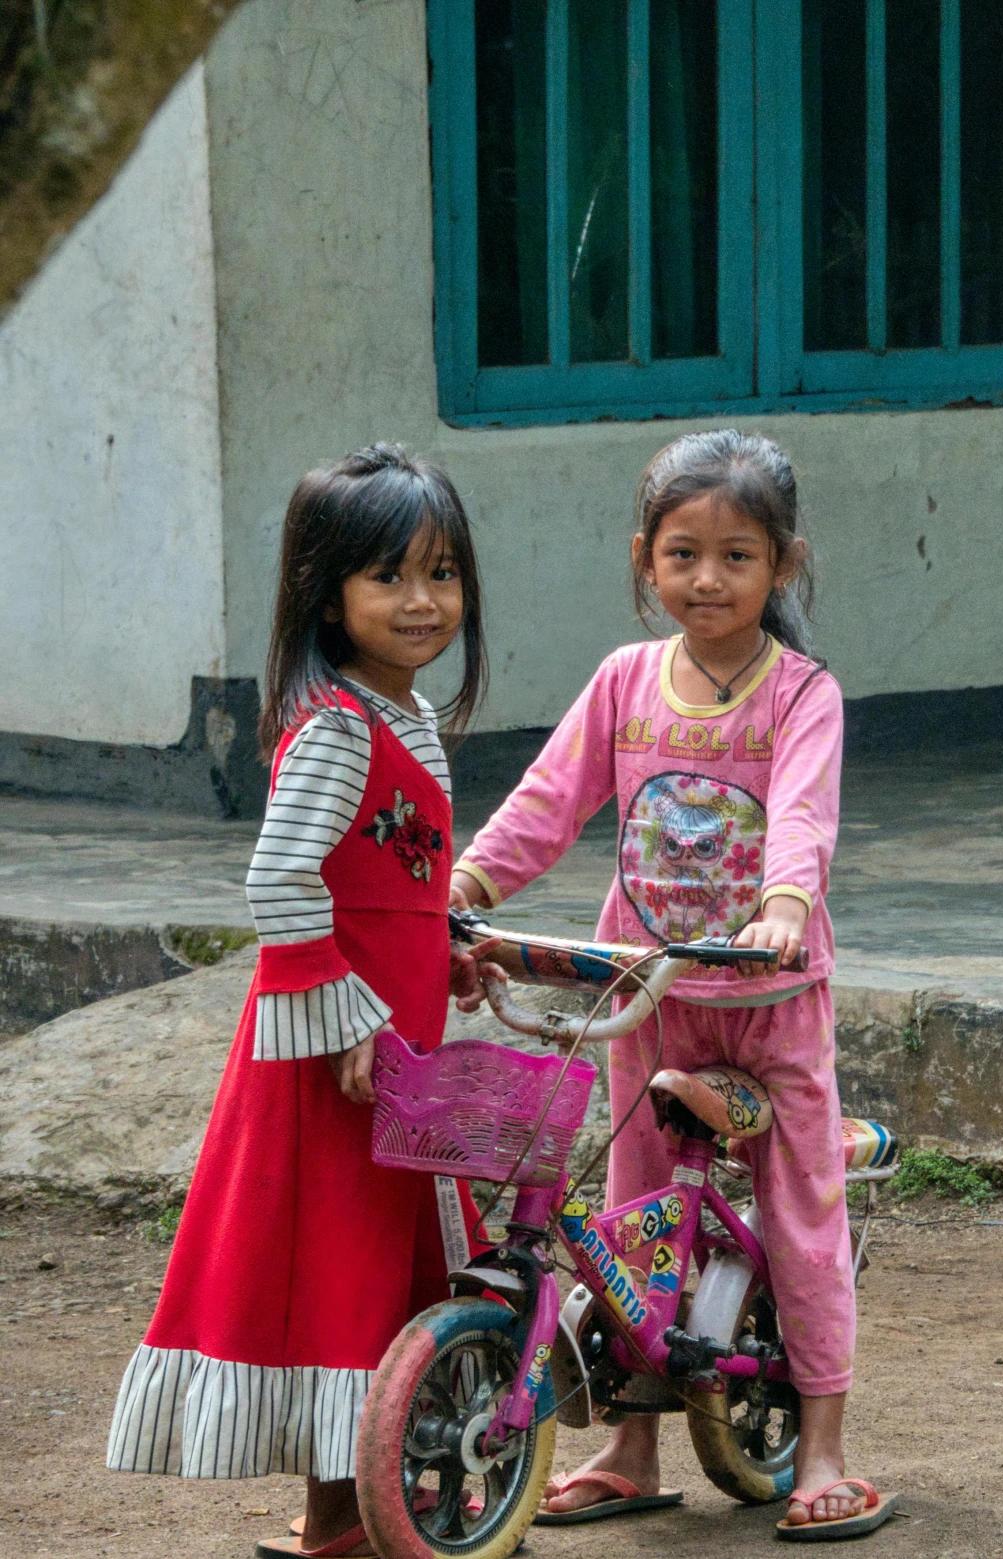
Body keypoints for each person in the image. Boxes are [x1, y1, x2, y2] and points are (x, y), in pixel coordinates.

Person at [451, 428, 891, 1539]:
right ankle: (630, 1445)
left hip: (766, 1001)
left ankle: (825, 1447)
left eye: (737, 555)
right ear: (644, 558)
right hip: (644, 995)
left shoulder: (803, 693)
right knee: (633, 1221)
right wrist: (466, 879)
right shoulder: (622, 681)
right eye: (683, 552)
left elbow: (800, 815)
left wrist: (784, 908)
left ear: (782, 564)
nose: (708, 578)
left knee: (797, 1214)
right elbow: (548, 802)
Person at [105, 445, 491, 1558]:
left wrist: (445, 947)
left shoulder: (398, 714)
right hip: (335, 1064)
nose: (422, 602)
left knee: (367, 1271)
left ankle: (347, 1513)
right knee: (335, 1270)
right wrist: (353, 1013)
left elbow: (383, 882)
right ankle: (338, 1517)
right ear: (328, 593)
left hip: (386, 1048)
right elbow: (279, 878)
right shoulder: (336, 727)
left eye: (442, 573)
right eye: (389, 577)